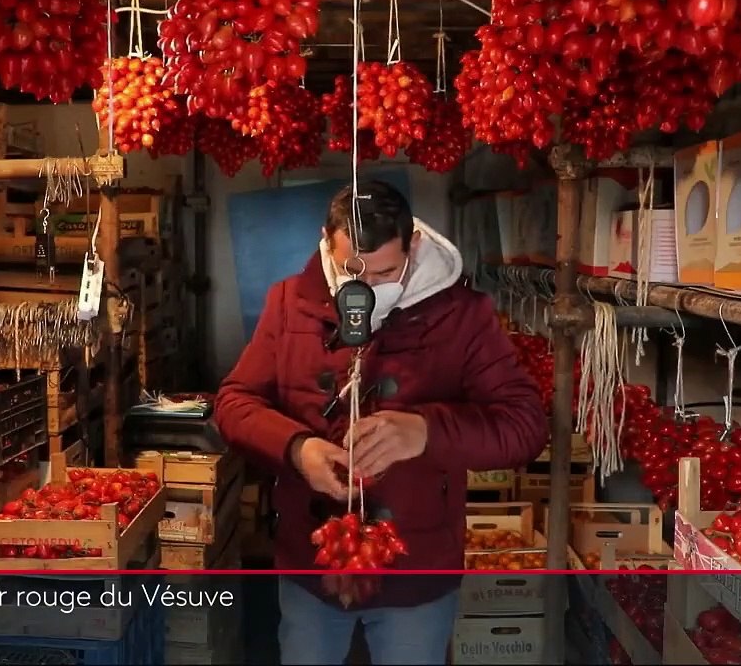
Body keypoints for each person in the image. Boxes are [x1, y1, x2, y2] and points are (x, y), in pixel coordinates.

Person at [214, 181, 548, 665]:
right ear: (326, 240)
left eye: (386, 273)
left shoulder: (463, 315)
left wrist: (427, 432)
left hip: (417, 564)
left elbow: (525, 425)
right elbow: (234, 402)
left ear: (413, 244)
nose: (366, 291)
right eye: (353, 273)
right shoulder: (289, 303)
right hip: (311, 561)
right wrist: (296, 448)